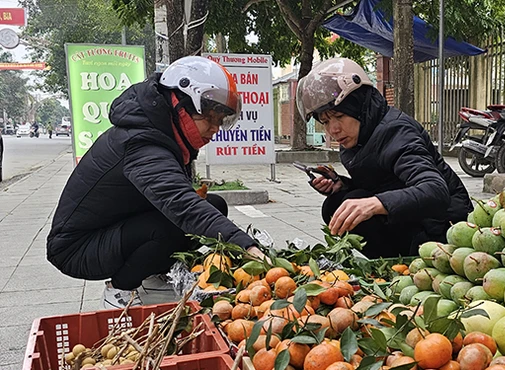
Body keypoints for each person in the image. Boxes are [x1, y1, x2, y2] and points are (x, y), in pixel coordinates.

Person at [47, 56, 265, 309]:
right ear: (181, 103)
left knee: (213, 204)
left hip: (111, 229)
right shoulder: (142, 143)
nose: (215, 128)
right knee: (173, 226)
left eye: (221, 121)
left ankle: (153, 277)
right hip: (77, 248)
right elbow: (180, 205)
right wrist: (247, 245)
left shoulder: (160, 133)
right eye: (211, 117)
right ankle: (120, 290)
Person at [296, 58, 472, 258]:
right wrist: (341, 186)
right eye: (326, 122)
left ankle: (402, 264)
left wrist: (373, 204)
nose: (333, 129)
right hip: (411, 217)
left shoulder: (397, 132)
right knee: (337, 204)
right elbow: (384, 185)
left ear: (359, 107)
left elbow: (435, 190)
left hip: (445, 226)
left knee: (358, 203)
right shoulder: (358, 139)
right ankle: (388, 264)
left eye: (339, 116)